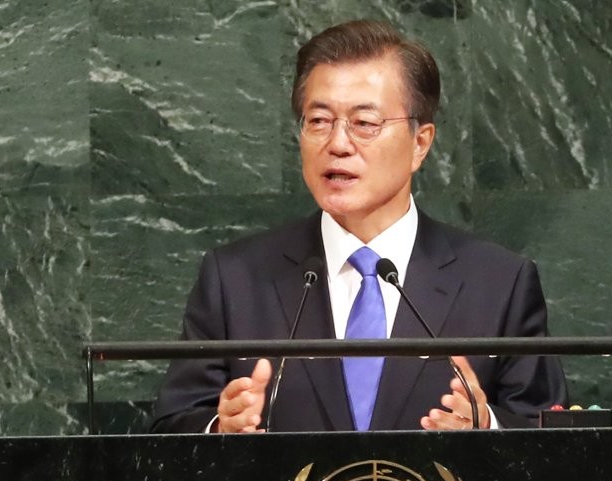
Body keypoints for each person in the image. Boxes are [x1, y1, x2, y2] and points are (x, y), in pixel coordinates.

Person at [150, 19, 566, 434]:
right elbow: (167, 433)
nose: (337, 144)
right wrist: (219, 430)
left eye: (364, 123)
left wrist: (487, 426)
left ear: (420, 143)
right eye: (319, 120)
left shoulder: (499, 284)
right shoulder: (235, 279)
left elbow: (557, 443)